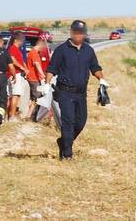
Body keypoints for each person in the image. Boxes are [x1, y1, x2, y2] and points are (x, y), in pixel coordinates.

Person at [42, 20, 109, 160]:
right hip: (65, 92)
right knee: (68, 122)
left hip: (81, 93)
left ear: (84, 34)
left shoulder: (88, 50)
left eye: (81, 33)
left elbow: (95, 67)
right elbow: (51, 68)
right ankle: (67, 154)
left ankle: (64, 142)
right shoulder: (61, 50)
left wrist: (101, 79)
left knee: (81, 122)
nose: (79, 36)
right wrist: (47, 84)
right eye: (76, 33)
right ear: (71, 32)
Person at [7, 31, 29, 121]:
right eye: (20, 40)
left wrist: (25, 67)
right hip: (15, 74)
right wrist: (22, 68)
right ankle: (11, 116)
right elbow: (12, 59)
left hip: (16, 74)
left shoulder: (17, 49)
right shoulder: (12, 48)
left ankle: (9, 115)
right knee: (15, 95)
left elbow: (20, 60)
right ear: (15, 40)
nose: (22, 42)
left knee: (13, 96)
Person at [26, 38, 47, 121]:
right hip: (33, 78)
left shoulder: (35, 52)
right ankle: (31, 116)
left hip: (34, 78)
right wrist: (42, 74)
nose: (43, 49)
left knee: (33, 98)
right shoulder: (34, 53)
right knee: (37, 98)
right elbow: (37, 64)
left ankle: (29, 115)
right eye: (43, 46)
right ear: (40, 44)